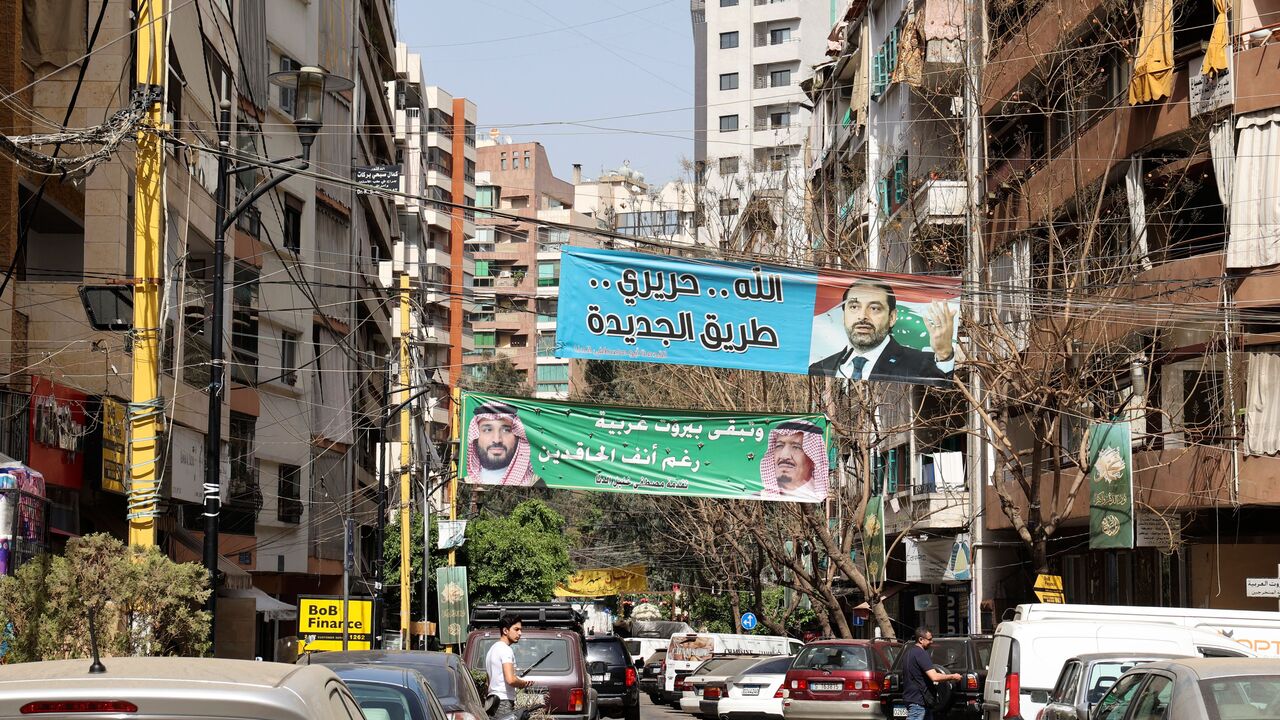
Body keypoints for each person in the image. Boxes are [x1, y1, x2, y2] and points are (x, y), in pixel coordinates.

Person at [809, 280, 956, 385]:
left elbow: (944, 400)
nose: (862, 316)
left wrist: (944, 355)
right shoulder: (821, 368)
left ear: (892, 318)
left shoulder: (922, 364)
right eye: (854, 307)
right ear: (843, 315)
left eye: (874, 308)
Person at [466, 401, 536, 486]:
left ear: (518, 437)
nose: (497, 440)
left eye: (506, 430)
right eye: (488, 430)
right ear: (475, 437)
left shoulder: (534, 484)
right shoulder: (465, 483)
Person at [759, 420, 829, 501]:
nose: (784, 456)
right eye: (779, 446)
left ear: (813, 458)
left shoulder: (818, 499)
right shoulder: (759, 497)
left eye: (796, 447)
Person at [902, 627, 962, 720]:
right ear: (921, 640)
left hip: (916, 700)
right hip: (918, 702)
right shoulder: (920, 653)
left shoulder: (909, 653)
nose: (932, 641)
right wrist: (953, 676)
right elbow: (934, 677)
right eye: (929, 639)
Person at [486, 614, 535, 717]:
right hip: (503, 702)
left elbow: (488, 681)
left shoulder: (492, 649)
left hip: (492, 702)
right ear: (505, 631)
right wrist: (523, 683)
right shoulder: (506, 650)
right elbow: (511, 680)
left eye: (520, 630)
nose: (520, 633)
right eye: (516, 629)